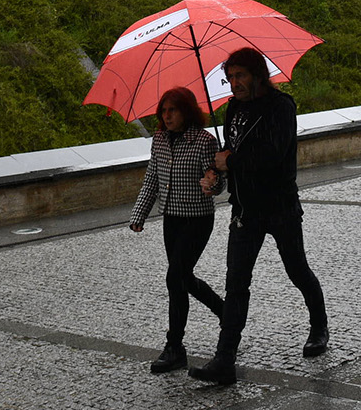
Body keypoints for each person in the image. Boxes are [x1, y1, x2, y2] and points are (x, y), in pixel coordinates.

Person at [189, 47, 327, 385]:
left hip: (280, 207)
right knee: (236, 283)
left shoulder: (281, 107)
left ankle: (319, 326)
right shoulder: (234, 108)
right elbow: (232, 153)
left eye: (240, 76)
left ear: (258, 75)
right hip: (245, 210)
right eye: (230, 77)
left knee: (297, 270)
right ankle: (225, 360)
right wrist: (216, 172)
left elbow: (271, 156)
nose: (234, 83)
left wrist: (231, 162)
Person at [129, 86, 225, 374]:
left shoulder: (204, 141)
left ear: (187, 111)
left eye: (173, 110)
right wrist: (139, 214)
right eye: (164, 111)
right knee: (182, 278)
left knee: (175, 278)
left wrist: (212, 184)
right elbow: (152, 179)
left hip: (197, 219)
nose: (167, 116)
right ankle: (224, 311)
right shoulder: (159, 140)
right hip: (171, 219)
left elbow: (217, 180)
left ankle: (174, 346)